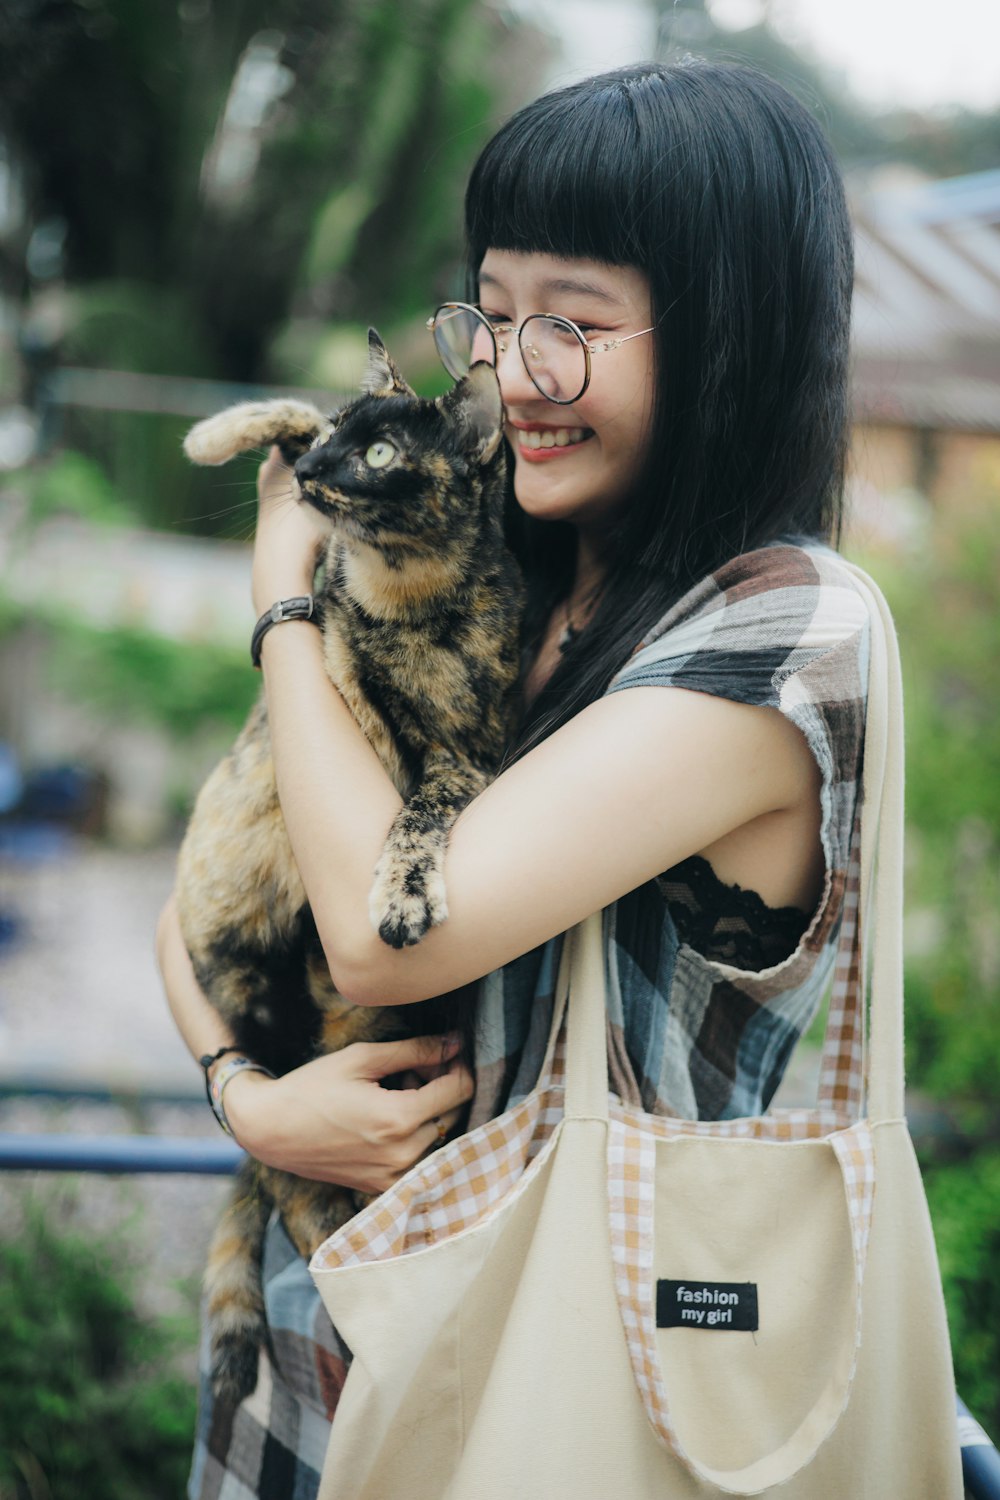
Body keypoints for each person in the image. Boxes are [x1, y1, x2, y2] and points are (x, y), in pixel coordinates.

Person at [156, 58, 869, 1499]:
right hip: (325, 1360)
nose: (510, 369)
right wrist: (249, 1096)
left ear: (726, 336)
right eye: (490, 313)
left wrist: (290, 601)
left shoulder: (783, 634)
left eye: (575, 322)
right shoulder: (514, 584)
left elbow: (373, 923)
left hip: (560, 1399)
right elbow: (207, 896)